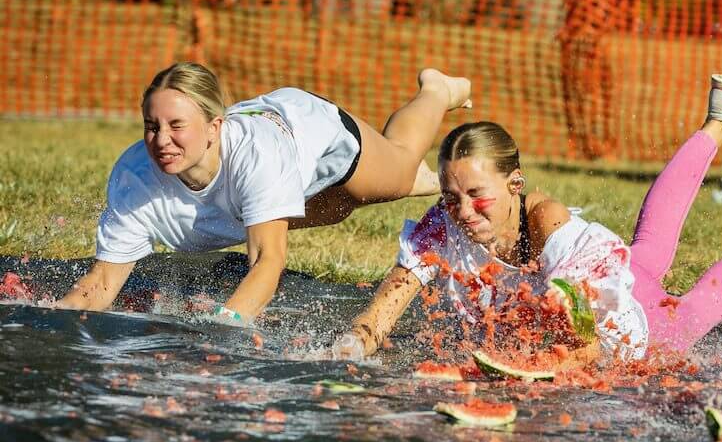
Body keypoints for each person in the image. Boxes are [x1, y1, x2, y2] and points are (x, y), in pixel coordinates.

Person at [336, 75, 722, 363]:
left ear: (514, 184)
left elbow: (584, 345)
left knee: (689, 315)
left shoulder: (547, 220)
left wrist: (532, 373)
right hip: (608, 282)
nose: (462, 212)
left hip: (624, 321)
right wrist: (356, 342)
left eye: (477, 195)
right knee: (649, 250)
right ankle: (721, 119)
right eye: (450, 195)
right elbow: (381, 312)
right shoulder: (442, 223)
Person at [58, 62, 472, 322]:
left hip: (313, 134)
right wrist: (55, 320)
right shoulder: (134, 176)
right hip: (265, 178)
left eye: (176, 126)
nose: (161, 140)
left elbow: (267, 263)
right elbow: (104, 279)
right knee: (338, 208)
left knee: (394, 176)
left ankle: (436, 90)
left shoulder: (256, 157)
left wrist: (223, 331)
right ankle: (420, 180)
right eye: (152, 126)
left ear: (214, 127)